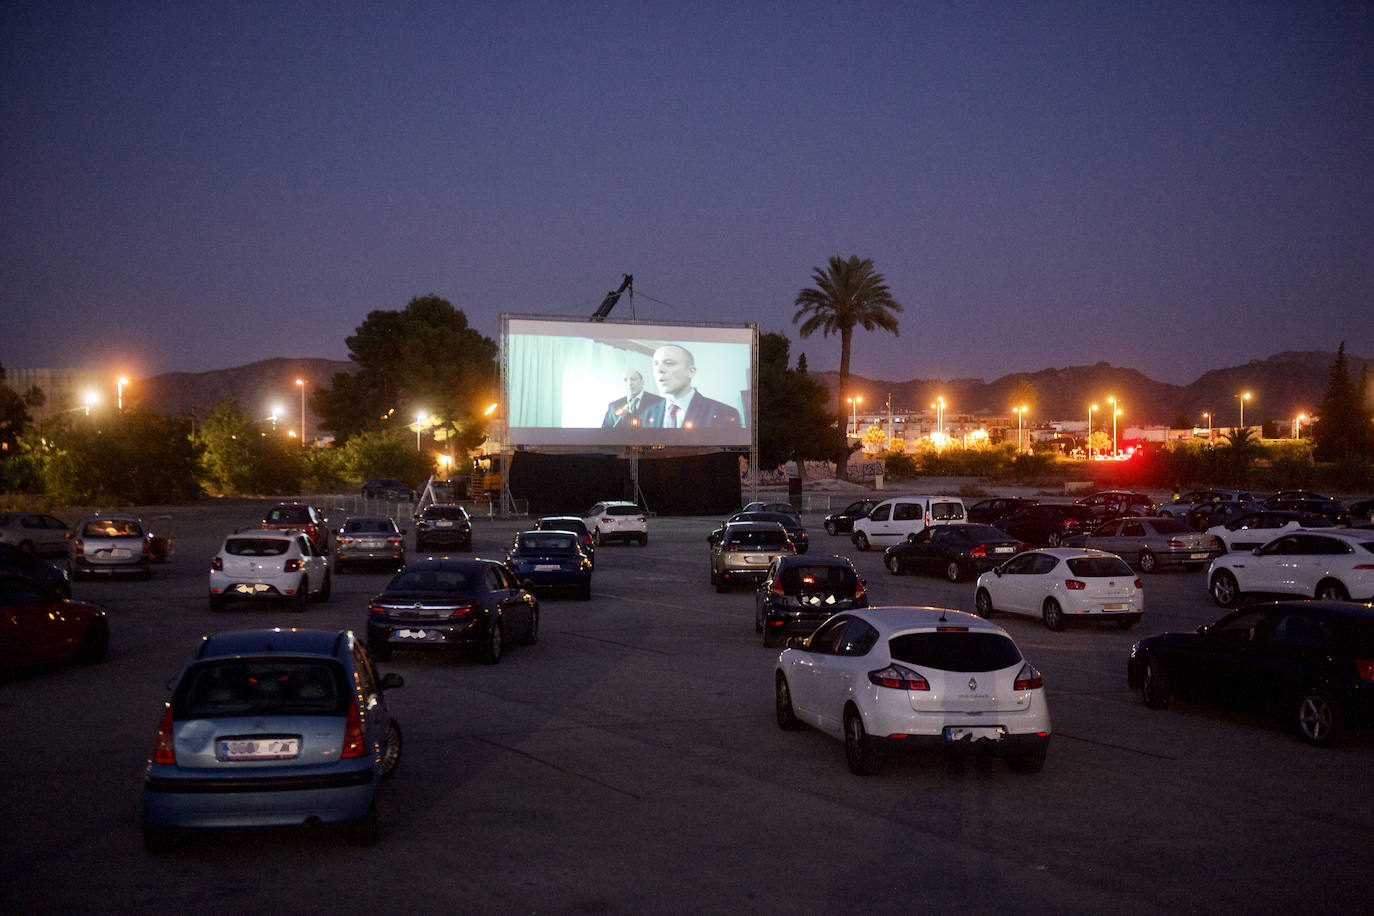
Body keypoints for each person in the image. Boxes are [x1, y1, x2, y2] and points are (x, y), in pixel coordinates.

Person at [638, 344, 742, 430]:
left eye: (669, 363)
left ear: (690, 371)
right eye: (655, 365)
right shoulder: (647, 413)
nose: (659, 369)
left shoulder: (723, 413)